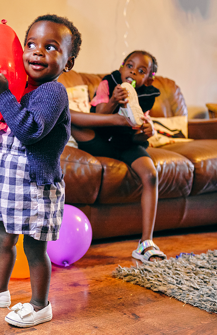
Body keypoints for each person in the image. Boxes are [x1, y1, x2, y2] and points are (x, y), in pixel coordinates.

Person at [0, 14, 82, 327]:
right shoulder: (16, 88)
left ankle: (40, 305)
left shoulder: (52, 93)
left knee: (33, 245)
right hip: (7, 181)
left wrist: (2, 93)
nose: (37, 51)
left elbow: (29, 130)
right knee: (3, 236)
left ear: (68, 62)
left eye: (51, 47)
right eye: (31, 44)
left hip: (35, 185)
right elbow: (3, 123)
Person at [70, 50, 167, 263]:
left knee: (151, 175)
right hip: (101, 140)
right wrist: (114, 100)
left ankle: (146, 242)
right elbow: (98, 116)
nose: (133, 72)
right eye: (130, 66)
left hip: (127, 144)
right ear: (122, 66)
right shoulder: (108, 83)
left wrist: (148, 129)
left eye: (141, 71)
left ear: (149, 78)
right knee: (72, 122)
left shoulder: (148, 95)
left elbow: (143, 125)